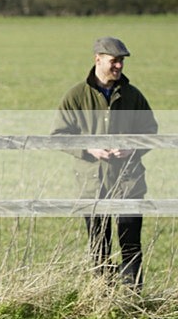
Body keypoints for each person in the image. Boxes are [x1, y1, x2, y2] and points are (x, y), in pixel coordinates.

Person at [51, 37, 158, 291]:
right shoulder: (76, 96)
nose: (119, 66)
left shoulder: (133, 96)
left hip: (129, 184)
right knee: (99, 246)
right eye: (114, 61)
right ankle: (102, 296)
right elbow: (58, 136)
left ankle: (132, 297)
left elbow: (151, 131)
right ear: (97, 59)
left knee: (131, 245)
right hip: (92, 185)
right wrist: (88, 148)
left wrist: (132, 147)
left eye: (121, 61)